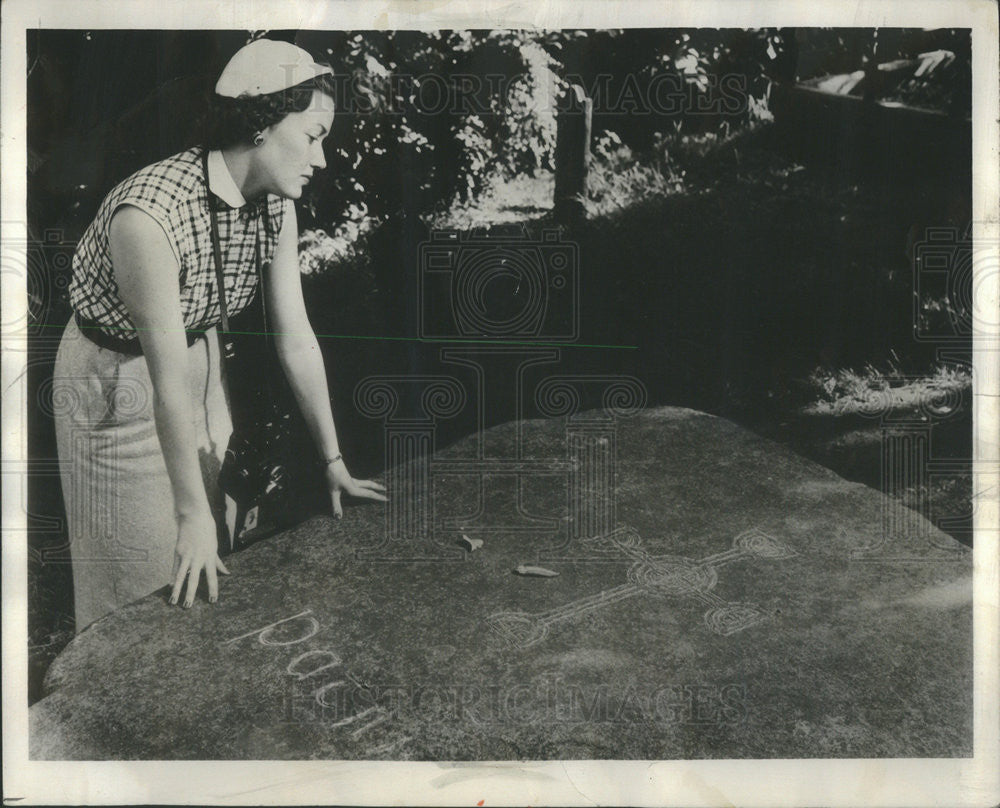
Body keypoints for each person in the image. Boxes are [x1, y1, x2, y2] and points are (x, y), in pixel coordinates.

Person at [53, 39, 386, 632]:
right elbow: (163, 380)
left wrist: (331, 459)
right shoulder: (149, 216)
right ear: (260, 124)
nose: (323, 159)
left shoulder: (275, 203)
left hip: (198, 362)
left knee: (215, 555)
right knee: (141, 585)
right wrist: (190, 515)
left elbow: (296, 335)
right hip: (115, 386)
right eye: (313, 136)